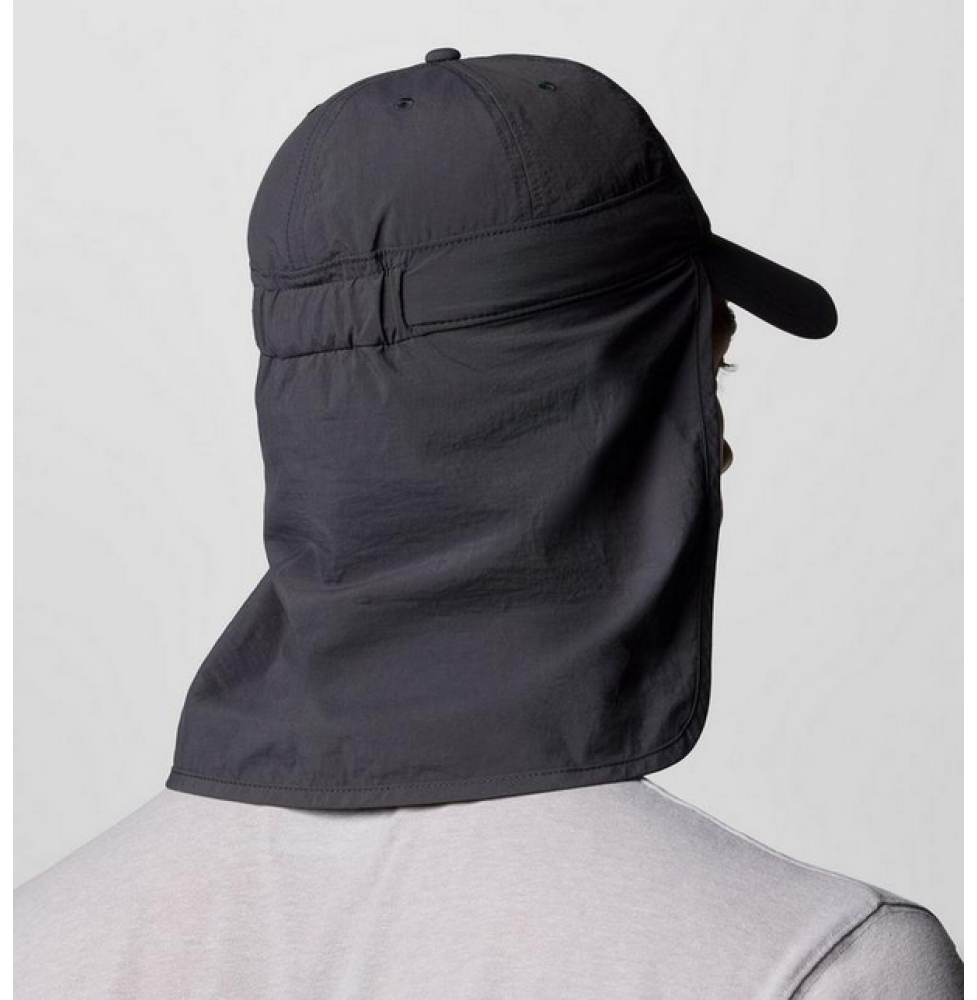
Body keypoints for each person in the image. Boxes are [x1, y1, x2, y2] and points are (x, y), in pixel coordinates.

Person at [15, 49, 962, 998]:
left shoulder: (38, 945)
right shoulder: (820, 965)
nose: (718, 451)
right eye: (705, 380)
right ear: (592, 416)